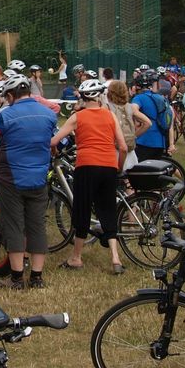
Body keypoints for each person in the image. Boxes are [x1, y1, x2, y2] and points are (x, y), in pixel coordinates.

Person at [0, 73, 57, 290]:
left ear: (10, 95)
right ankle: (37, 277)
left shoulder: (7, 115)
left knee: (14, 226)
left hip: (11, 178)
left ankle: (17, 278)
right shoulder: (48, 114)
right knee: (37, 226)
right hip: (39, 178)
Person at [52, 79, 127, 274]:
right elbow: (123, 147)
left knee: (82, 210)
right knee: (108, 209)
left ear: (84, 98)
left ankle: (76, 257)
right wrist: (118, 167)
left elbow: (54, 141)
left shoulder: (78, 117)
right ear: (100, 96)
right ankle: (115, 258)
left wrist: (53, 150)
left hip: (86, 166)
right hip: (109, 166)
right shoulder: (110, 115)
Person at [105, 80, 151, 170]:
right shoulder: (130, 107)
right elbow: (147, 123)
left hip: (114, 149)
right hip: (130, 149)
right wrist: (134, 136)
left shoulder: (107, 107)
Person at [132, 70, 175, 161]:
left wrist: (134, 135)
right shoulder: (160, 98)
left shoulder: (139, 98)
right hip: (160, 142)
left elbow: (133, 110)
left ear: (138, 86)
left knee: (138, 167)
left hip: (144, 140)